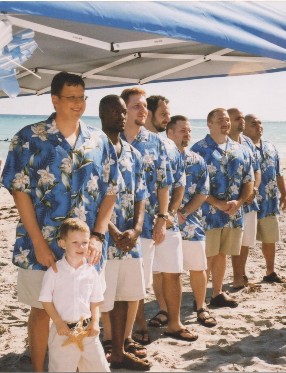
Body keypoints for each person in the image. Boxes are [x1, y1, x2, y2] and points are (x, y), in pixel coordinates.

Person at [1, 72, 119, 371]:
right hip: (40, 245)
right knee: (42, 311)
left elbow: (110, 191)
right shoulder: (29, 137)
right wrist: (39, 243)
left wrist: (98, 236)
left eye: (82, 97)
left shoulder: (98, 139)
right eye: (71, 97)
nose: (78, 104)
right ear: (55, 99)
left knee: (82, 309)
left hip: (86, 247)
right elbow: (19, 192)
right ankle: (40, 369)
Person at [98, 95, 151, 370]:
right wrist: (114, 231)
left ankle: (118, 351)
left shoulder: (133, 153)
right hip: (102, 238)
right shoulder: (93, 148)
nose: (121, 116)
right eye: (114, 111)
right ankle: (96, 352)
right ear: (101, 114)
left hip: (130, 239)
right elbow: (90, 195)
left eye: (123, 111)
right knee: (98, 297)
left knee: (125, 295)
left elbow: (141, 194)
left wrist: (137, 229)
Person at [118, 88, 174, 345]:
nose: (143, 111)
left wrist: (162, 219)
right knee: (115, 278)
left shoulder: (156, 142)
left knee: (139, 277)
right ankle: (116, 333)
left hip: (146, 222)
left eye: (144, 106)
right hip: (113, 223)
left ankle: (140, 323)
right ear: (123, 109)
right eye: (135, 106)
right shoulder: (109, 138)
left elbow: (165, 184)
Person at [143, 95, 195, 342]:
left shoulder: (170, 146)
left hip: (167, 222)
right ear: (149, 113)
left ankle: (175, 323)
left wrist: (169, 214)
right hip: (139, 224)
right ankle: (140, 327)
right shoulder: (129, 143)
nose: (167, 117)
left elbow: (180, 185)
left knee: (173, 272)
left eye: (167, 113)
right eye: (163, 113)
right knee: (141, 277)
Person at [191, 108, 254, 308]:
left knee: (222, 253)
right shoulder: (198, 149)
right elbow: (193, 185)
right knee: (205, 256)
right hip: (206, 213)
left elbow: (249, 179)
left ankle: (217, 294)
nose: (225, 123)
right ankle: (200, 300)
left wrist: (240, 202)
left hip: (233, 213)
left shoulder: (241, 148)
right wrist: (217, 203)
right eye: (220, 120)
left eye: (227, 120)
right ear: (209, 124)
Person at [39, 218, 109, 372]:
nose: (80, 247)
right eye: (75, 242)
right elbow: (46, 300)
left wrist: (96, 321)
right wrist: (58, 322)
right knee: (61, 368)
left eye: (84, 242)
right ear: (62, 244)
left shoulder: (91, 271)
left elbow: (95, 299)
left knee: (99, 368)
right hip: (63, 331)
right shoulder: (55, 272)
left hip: (88, 331)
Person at [167, 115, 216, 327]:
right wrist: (168, 214)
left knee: (198, 267)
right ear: (169, 133)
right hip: (165, 223)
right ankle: (163, 310)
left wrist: (184, 213)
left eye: (189, 131)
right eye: (182, 131)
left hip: (192, 223)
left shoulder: (197, 160)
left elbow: (203, 192)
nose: (187, 134)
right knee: (165, 271)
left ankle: (201, 307)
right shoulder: (161, 159)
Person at [244, 114, 286, 284]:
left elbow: (279, 172)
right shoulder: (241, 146)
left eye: (260, 123)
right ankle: (241, 274)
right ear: (244, 127)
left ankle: (270, 272)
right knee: (245, 241)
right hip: (249, 201)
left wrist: (284, 194)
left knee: (270, 238)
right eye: (253, 124)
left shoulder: (270, 146)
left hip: (270, 200)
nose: (258, 126)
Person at [227, 108, 261, 289]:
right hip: (229, 203)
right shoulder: (221, 142)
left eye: (242, 118)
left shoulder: (247, 141)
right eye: (237, 118)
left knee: (246, 241)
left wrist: (254, 189)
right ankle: (234, 278)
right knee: (229, 243)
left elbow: (256, 168)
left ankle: (240, 276)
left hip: (249, 200)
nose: (241, 121)